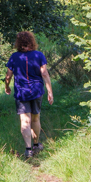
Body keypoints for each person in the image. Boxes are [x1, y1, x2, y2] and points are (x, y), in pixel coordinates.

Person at [4, 30, 53, 159]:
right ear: (32, 41)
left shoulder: (14, 57)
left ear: (18, 43)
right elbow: (44, 74)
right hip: (36, 90)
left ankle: (28, 149)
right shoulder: (39, 55)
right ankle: (36, 145)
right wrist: (50, 91)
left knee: (25, 120)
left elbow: (8, 75)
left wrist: (7, 86)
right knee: (35, 118)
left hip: (21, 92)